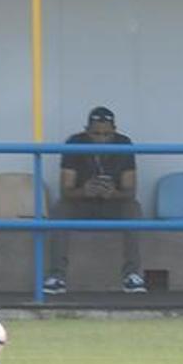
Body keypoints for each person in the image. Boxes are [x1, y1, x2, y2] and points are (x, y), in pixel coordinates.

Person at [43, 107, 148, 294]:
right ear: (86, 130)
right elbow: (65, 190)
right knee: (59, 210)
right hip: (82, 204)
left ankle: (132, 275)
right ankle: (56, 276)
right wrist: (85, 191)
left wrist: (112, 193)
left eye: (107, 134)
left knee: (133, 209)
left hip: (113, 204)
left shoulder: (124, 143)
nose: (101, 138)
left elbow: (130, 191)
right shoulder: (75, 142)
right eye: (96, 134)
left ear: (115, 130)